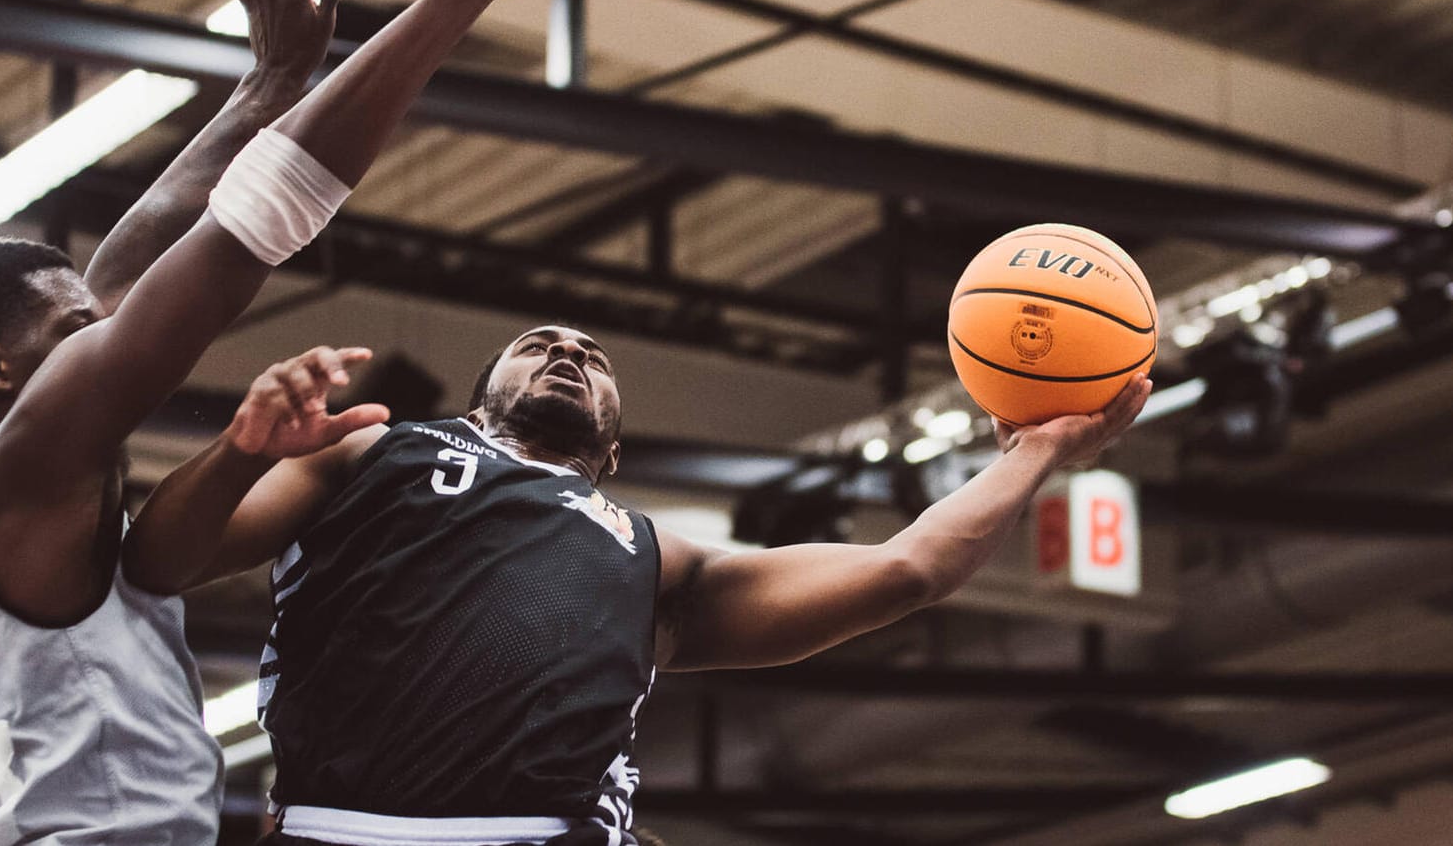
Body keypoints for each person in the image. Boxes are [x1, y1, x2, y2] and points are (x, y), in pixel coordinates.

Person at [0, 0, 594, 844]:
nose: (101, 337)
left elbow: (138, 258)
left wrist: (268, 78)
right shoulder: (28, 461)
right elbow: (239, 235)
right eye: (70, 331)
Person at [125, 321, 1151, 846]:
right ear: (483, 404)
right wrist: (236, 449)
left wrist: (1036, 452)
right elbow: (154, 562)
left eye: (592, 357)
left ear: (612, 449)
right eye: (539, 347)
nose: (568, 351)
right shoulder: (373, 450)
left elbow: (908, 566)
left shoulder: (660, 556)